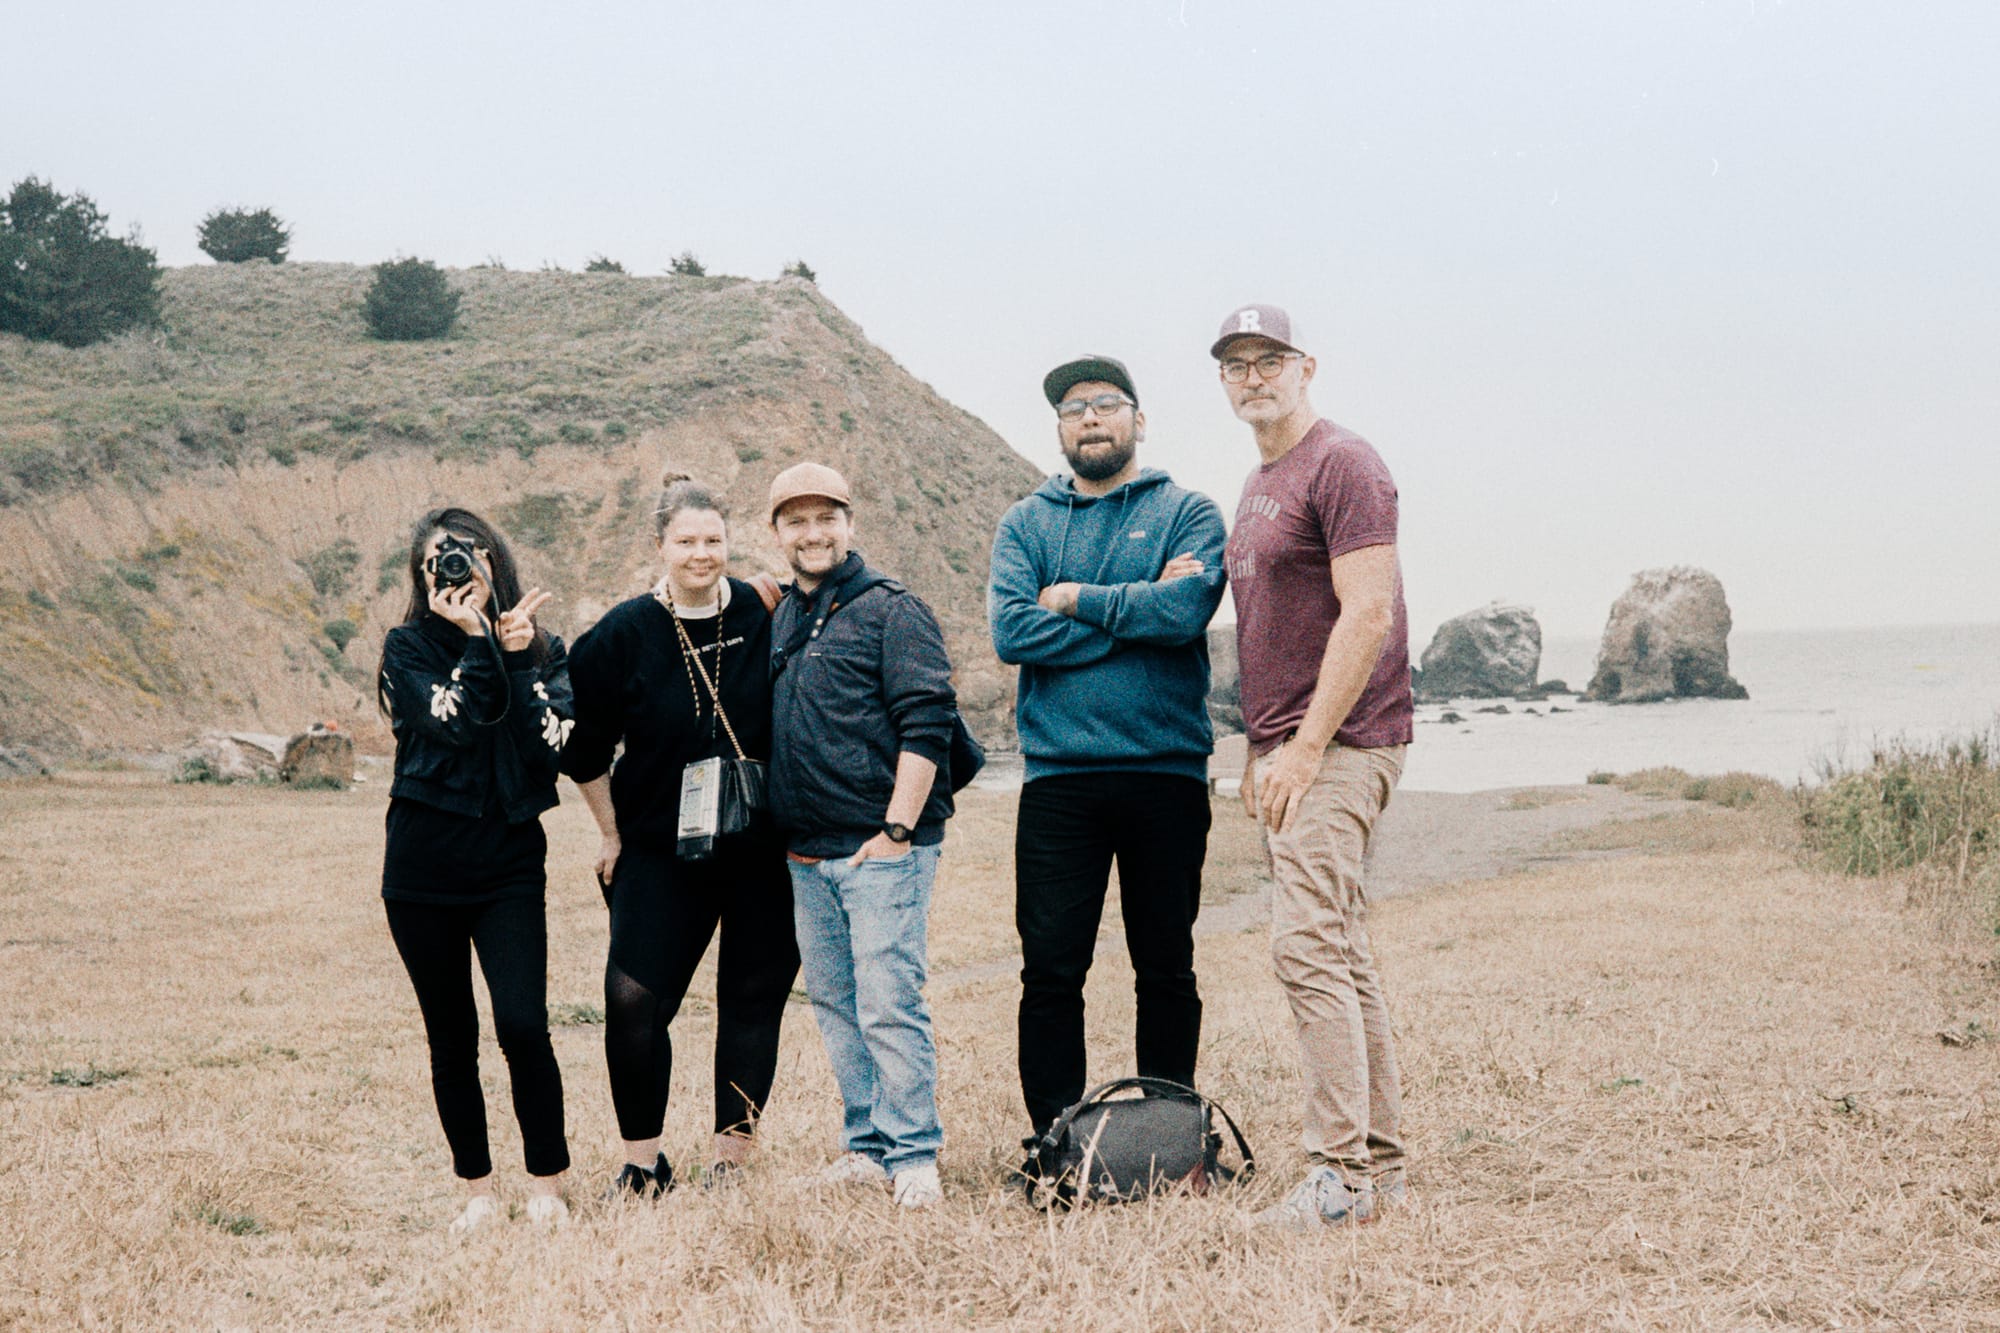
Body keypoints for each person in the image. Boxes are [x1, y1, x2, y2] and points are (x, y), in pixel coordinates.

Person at [1211, 304, 1417, 1230]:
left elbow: (1367, 615)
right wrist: (1263, 749)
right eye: (1236, 365)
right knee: (1338, 946)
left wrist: (1301, 748)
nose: (1253, 376)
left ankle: (1335, 1174)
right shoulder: (1263, 479)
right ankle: (1375, 1170)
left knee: (1305, 948)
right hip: (1292, 745)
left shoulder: (1345, 463)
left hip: (1342, 743)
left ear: (1308, 366)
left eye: (1270, 360)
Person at [988, 354, 1228, 1145]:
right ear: (1059, 429)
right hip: (1060, 781)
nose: (1091, 418)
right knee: (1051, 972)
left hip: (1165, 773)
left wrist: (1078, 599)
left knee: (1165, 966)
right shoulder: (1026, 523)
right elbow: (1014, 632)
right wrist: (1135, 610)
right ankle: (1057, 1140)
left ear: (1138, 419)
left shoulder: (1187, 511)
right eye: (1074, 409)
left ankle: (1167, 1135)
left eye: (1107, 403)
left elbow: (1186, 612)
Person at [562, 474, 800, 1197]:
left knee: (752, 997)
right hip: (660, 846)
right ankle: (643, 1163)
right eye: (687, 540)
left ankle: (732, 1162)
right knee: (634, 996)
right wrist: (610, 836)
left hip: (761, 845)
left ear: (731, 541)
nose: (702, 553)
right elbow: (584, 754)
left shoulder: (769, 613)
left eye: (714, 539)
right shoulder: (620, 634)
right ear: (660, 545)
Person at [765, 461, 960, 1210]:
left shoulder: (892, 609)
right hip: (806, 853)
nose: (813, 533)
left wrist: (898, 829)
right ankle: (865, 1145)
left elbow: (927, 719)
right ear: (777, 532)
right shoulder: (785, 611)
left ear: (851, 524)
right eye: (796, 520)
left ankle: (915, 1151)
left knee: (888, 1001)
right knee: (838, 1005)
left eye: (826, 518)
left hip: (881, 850)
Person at [375, 506, 574, 1234]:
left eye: (468, 552)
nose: (455, 567)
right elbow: (456, 720)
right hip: (421, 874)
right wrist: (472, 641)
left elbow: (545, 749)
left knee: (524, 1026)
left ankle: (546, 1184)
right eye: (438, 558)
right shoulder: (407, 647)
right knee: (451, 1034)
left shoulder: (546, 650)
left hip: (509, 869)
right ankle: (478, 1190)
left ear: (495, 560)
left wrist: (516, 657)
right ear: (420, 576)